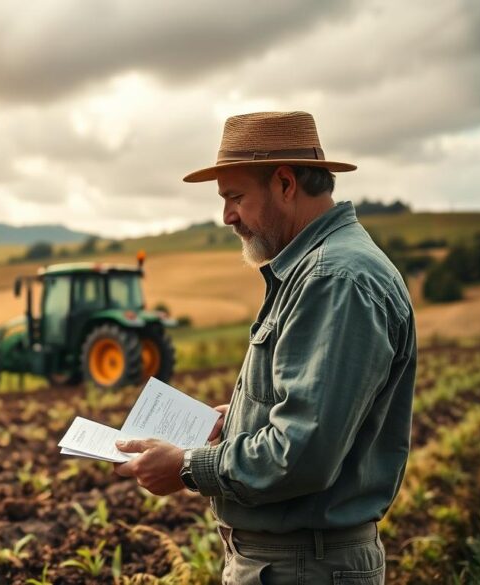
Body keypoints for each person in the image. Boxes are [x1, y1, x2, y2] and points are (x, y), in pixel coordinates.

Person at [113, 111, 416, 584]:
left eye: (236, 197)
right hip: (292, 563)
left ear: (285, 183)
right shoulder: (317, 270)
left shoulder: (334, 280)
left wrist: (187, 467)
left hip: (303, 568)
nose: (227, 216)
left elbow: (303, 452)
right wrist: (236, 418)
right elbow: (318, 408)